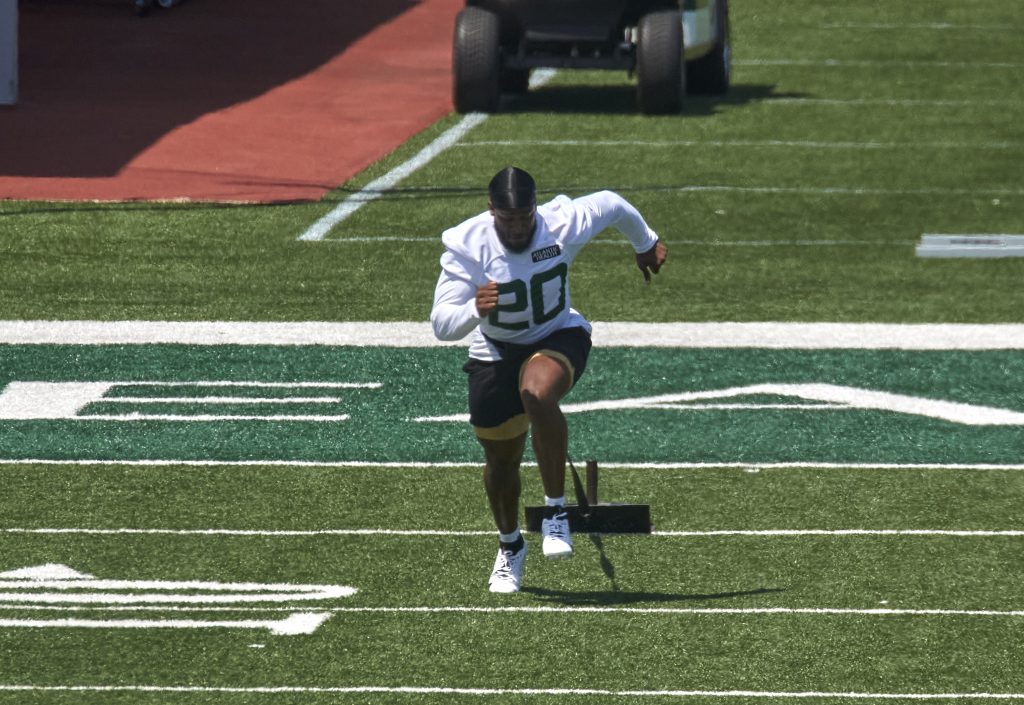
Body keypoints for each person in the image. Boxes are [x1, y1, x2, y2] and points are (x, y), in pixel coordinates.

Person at [430, 166, 667, 593]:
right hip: (496, 351)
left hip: (557, 333)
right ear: (492, 212)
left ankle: (556, 513)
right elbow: (441, 325)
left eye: (525, 217)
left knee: (536, 392)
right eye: (509, 219)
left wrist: (645, 243)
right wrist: (473, 310)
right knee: (500, 463)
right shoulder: (466, 244)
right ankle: (510, 547)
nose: (519, 227)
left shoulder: (561, 223)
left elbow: (612, 202)